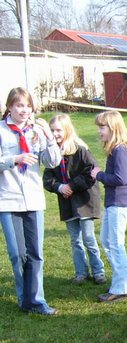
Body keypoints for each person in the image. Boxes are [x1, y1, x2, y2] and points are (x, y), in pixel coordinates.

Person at [0, 87, 61, 315]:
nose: (24, 110)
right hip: (8, 199)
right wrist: (14, 159)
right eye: (19, 105)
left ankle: (36, 300)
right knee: (18, 254)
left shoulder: (36, 130)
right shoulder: (1, 130)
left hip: (33, 200)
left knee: (35, 253)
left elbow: (52, 162)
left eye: (27, 106)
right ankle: (24, 297)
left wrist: (50, 138)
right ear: (10, 107)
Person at [43, 114, 106, 286]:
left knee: (88, 237)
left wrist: (71, 186)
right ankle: (81, 273)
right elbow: (47, 179)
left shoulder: (81, 149)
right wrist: (60, 187)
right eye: (52, 130)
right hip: (67, 203)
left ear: (67, 130)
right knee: (75, 239)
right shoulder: (52, 154)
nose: (55, 134)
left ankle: (98, 271)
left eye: (58, 130)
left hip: (84, 201)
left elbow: (90, 173)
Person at [90, 111, 127, 303]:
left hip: (119, 202)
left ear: (113, 128)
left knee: (115, 244)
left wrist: (99, 175)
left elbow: (121, 179)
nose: (99, 131)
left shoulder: (119, 150)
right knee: (107, 240)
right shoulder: (116, 149)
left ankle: (122, 288)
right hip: (114, 202)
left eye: (102, 127)